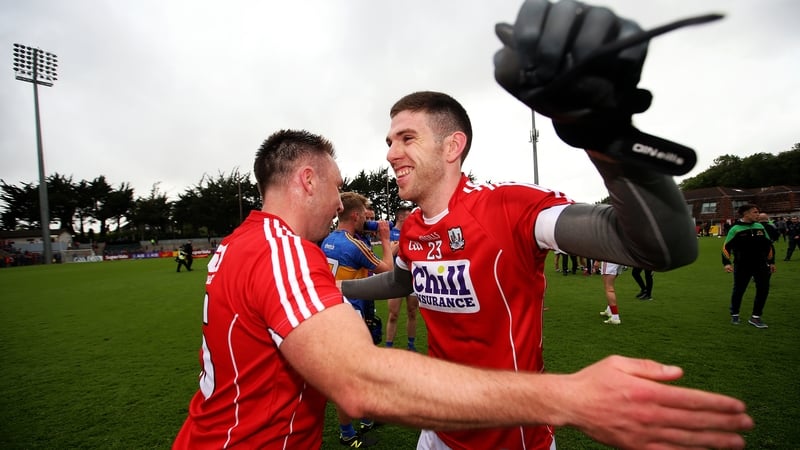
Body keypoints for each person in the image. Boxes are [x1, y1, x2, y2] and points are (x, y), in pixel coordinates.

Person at [174, 3, 752, 450]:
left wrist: (605, 137)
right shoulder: (409, 224)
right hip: (440, 427)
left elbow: (659, 245)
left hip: (514, 433)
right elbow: (402, 280)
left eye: (405, 138)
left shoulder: (511, 208)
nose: (391, 154)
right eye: (388, 141)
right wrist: (332, 294)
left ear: (454, 145)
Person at [321, 191, 393, 446]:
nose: (367, 219)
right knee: (348, 377)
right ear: (355, 215)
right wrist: (385, 239)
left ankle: (364, 418)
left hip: (333, 313)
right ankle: (346, 432)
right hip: (349, 317)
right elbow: (389, 272)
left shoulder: (327, 239)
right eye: (364, 215)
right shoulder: (354, 244)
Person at [722, 204, 776, 328]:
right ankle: (735, 313)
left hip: (761, 265)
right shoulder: (735, 229)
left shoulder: (760, 226)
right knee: (739, 290)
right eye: (755, 212)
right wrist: (726, 263)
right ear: (746, 214)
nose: (758, 214)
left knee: (763, 289)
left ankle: (755, 317)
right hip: (742, 266)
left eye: (758, 212)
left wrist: (771, 261)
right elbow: (726, 247)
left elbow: (768, 246)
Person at [385, 204, 420, 351]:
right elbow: (388, 255)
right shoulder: (389, 233)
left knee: (412, 312)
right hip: (395, 279)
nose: (412, 218)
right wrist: (400, 244)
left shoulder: (415, 232)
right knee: (393, 315)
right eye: (408, 215)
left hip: (412, 279)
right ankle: (389, 347)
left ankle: (411, 346)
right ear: (400, 217)